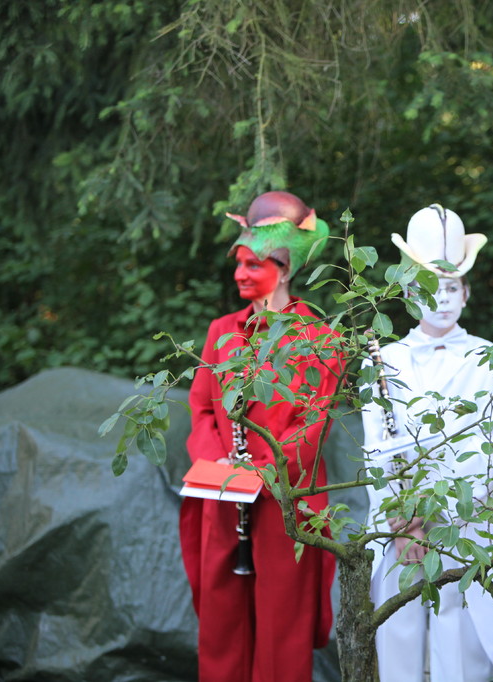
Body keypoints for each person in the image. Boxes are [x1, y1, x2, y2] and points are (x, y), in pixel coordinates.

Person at [179, 190, 342, 682]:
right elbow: (203, 407)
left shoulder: (321, 339)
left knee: (282, 627)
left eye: (253, 264)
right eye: (239, 263)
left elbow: (312, 423)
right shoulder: (220, 330)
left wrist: (263, 474)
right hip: (222, 491)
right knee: (223, 626)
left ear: (285, 268)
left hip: (287, 500)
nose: (240, 275)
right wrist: (222, 469)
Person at [361, 204, 493, 682]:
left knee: (461, 634)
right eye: (431, 289)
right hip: (399, 525)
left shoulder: (492, 360)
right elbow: (376, 445)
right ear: (408, 293)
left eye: (452, 288)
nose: (443, 299)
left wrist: (443, 519)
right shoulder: (384, 358)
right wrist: (404, 520)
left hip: (466, 521)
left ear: (466, 293)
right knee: (399, 632)